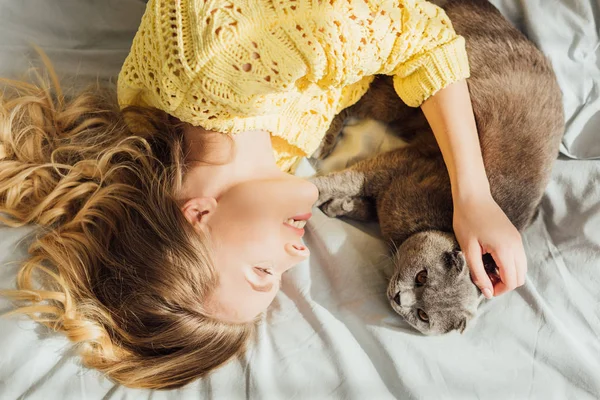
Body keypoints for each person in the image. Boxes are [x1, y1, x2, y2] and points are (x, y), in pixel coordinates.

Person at [0, 0, 526, 389]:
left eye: (262, 271)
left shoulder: (238, 67)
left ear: (200, 213)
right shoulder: (188, 134)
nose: (297, 257)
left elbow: (427, 36)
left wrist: (473, 197)